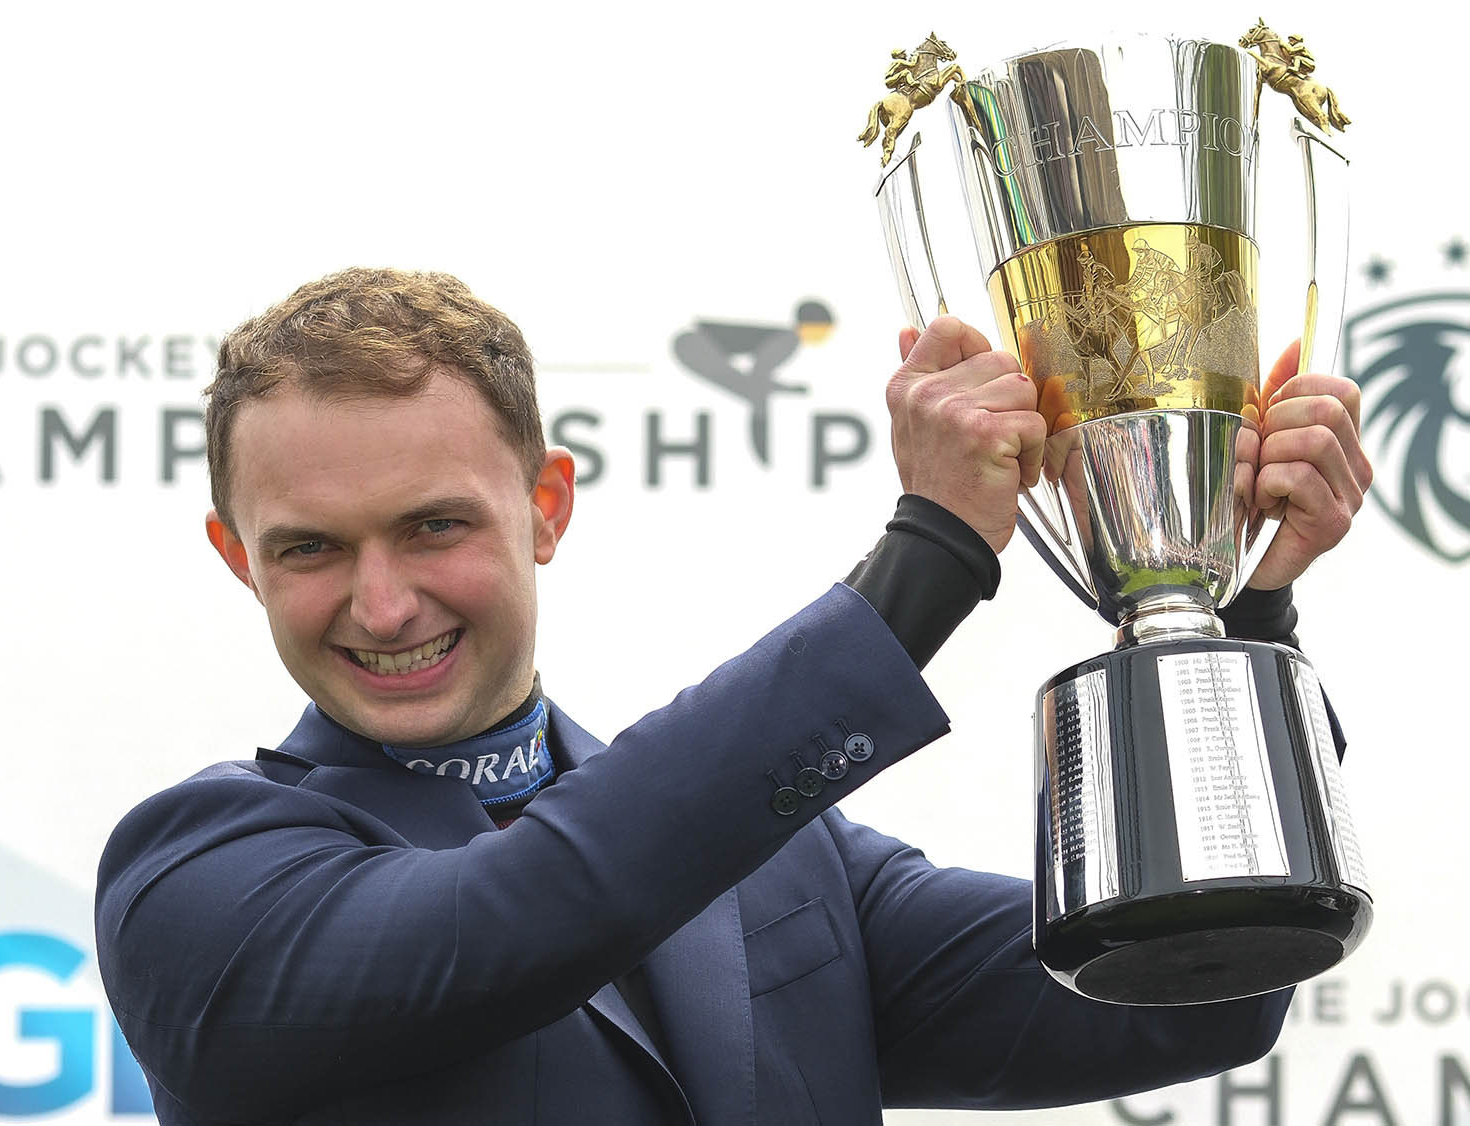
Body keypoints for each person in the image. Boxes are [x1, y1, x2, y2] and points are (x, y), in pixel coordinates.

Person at [96, 268, 1371, 1124]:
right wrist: (922, 560)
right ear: (236, 558)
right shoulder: (198, 879)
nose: (381, 605)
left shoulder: (785, 860)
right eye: (310, 548)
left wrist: (1219, 609)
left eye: (433, 527)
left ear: (545, 508)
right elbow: (530, 904)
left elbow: (1205, 973)